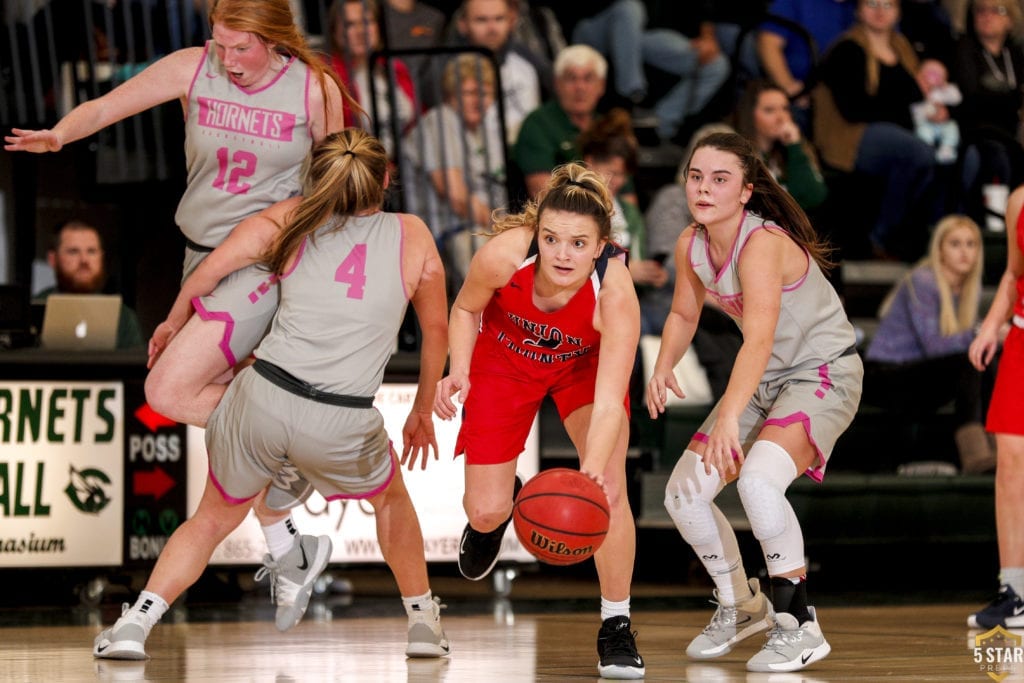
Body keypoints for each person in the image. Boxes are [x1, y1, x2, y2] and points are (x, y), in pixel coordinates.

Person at [5, 0, 351, 631]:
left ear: (275, 41)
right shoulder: (194, 69)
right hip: (202, 260)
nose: (229, 59)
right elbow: (109, 106)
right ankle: (289, 542)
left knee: (166, 387)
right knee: (235, 459)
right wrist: (60, 133)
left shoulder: (313, 89)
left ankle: (297, 458)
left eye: (241, 47)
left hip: (267, 262)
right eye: (220, 45)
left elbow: (339, 182)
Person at [93, 128, 452, 661]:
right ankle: (422, 622)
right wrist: (422, 409)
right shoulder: (414, 234)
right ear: (385, 178)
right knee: (391, 503)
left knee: (211, 520)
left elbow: (209, 272)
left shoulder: (291, 219)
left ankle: (134, 626)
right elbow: (437, 332)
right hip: (342, 417)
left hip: (262, 395)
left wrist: (171, 323)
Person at [646, 131, 862, 672]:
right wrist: (663, 362)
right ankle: (742, 605)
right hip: (767, 377)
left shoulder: (762, 243)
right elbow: (681, 315)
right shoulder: (690, 243)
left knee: (759, 482)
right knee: (684, 495)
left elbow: (759, 338)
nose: (703, 187)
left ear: (745, 191)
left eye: (720, 179)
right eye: (696, 176)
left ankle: (799, 625)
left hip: (822, 372)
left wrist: (725, 421)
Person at [434, 162, 646, 679]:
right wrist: (457, 369)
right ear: (536, 233)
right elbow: (464, 309)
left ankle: (616, 624)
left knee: (609, 486)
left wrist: (591, 473)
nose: (562, 253)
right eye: (551, 239)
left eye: (578, 244)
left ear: (601, 247)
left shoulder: (615, 296)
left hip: (582, 369)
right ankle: (506, 499)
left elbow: (609, 400)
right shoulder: (506, 254)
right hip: (505, 357)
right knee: (483, 511)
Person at [864, 214, 996, 473]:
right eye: (955, 244)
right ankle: (975, 455)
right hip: (885, 375)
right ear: (940, 249)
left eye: (971, 244)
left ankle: (998, 447)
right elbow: (937, 346)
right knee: (972, 360)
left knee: (987, 358)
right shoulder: (923, 281)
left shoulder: (969, 289)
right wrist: (984, 331)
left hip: (923, 373)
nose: (964, 252)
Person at [811, 0, 940, 260]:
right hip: (852, 136)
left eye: (888, 5)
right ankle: (880, 236)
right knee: (918, 153)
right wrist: (902, 110)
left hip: (896, 134)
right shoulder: (847, 49)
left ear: (898, 11)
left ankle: (929, 237)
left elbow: (916, 96)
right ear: (858, 9)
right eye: (872, 3)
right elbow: (855, 109)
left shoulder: (903, 48)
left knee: (948, 157)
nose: (880, 11)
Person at [966, 182, 1024, 629]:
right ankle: (1016, 590)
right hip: (1021, 336)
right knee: (1010, 460)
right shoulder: (1019, 199)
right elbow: (1013, 274)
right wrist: (989, 327)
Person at [404, 54, 506, 289]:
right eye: (470, 93)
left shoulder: (486, 131)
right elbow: (455, 196)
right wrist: (503, 226)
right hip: (446, 234)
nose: (478, 101)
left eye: (485, 93)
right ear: (452, 94)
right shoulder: (441, 121)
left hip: (483, 228)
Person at [578, 107, 668, 336]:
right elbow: (569, 261)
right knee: (638, 327)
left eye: (621, 175)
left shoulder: (628, 211)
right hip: (585, 300)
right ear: (589, 163)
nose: (615, 181)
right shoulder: (572, 206)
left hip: (630, 299)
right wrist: (627, 269)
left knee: (675, 320)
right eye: (610, 172)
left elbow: (638, 260)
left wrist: (651, 274)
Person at [952, 0, 1024, 231]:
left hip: (1011, 134)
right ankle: (996, 229)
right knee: (996, 157)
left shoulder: (1015, 54)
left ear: (1010, 20)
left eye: (997, 10)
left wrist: (1001, 95)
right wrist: (1013, 97)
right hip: (977, 133)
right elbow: (971, 96)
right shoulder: (964, 49)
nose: (987, 16)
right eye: (981, 10)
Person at [326, 0, 418, 159]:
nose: (361, 31)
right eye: (350, 24)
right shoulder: (328, 76)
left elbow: (414, 123)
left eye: (367, 22)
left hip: (400, 171)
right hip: (356, 171)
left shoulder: (395, 67)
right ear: (335, 32)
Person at [513, 44, 607, 199]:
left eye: (588, 78)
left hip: (607, 216)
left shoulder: (608, 127)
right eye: (571, 78)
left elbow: (627, 198)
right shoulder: (537, 124)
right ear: (557, 84)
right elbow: (543, 195)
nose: (580, 87)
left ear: (601, 85)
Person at [38, 219, 144, 350]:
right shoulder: (35, 309)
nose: (84, 260)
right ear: (53, 259)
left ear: (101, 257)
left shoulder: (122, 315)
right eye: (73, 251)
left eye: (91, 251)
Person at [732, 78, 828, 214]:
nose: (781, 117)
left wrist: (794, 147)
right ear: (749, 115)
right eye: (769, 110)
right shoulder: (733, 150)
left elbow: (814, 197)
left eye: (785, 109)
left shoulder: (796, 147)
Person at [911, 58, 962, 164]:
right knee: (923, 132)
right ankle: (927, 150)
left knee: (952, 129)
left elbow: (957, 99)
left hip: (944, 124)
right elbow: (915, 110)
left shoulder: (945, 90)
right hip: (926, 124)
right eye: (928, 74)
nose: (932, 79)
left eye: (938, 75)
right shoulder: (919, 93)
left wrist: (945, 87)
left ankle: (947, 149)